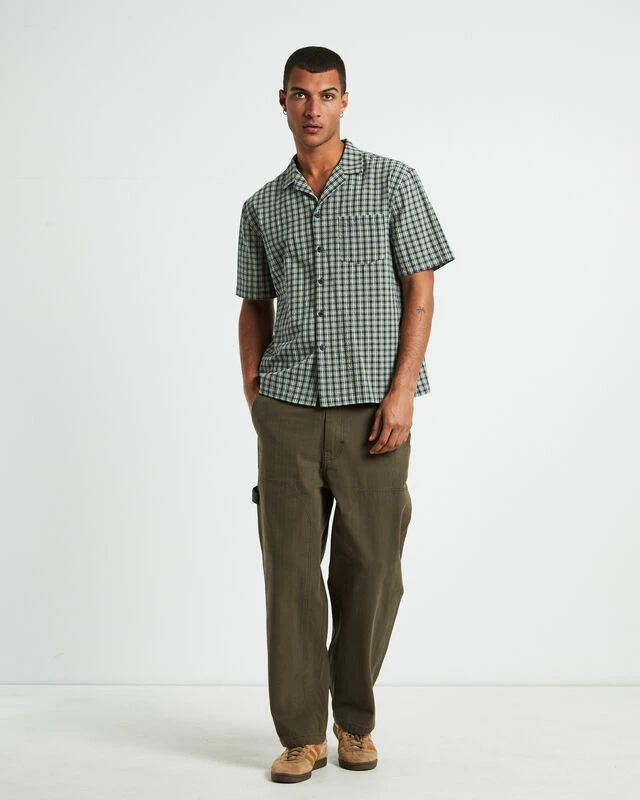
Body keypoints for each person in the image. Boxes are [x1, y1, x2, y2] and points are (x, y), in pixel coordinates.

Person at [236, 45, 454, 783]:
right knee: (291, 575)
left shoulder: (393, 182)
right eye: (300, 94)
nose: (312, 108)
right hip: (288, 412)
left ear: (345, 101)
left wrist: (403, 391)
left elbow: (421, 289)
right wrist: (255, 391)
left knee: (375, 568)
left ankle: (353, 719)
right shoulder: (262, 205)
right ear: (282, 101)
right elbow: (253, 304)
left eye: (326, 95)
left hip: (374, 412)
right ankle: (302, 734)